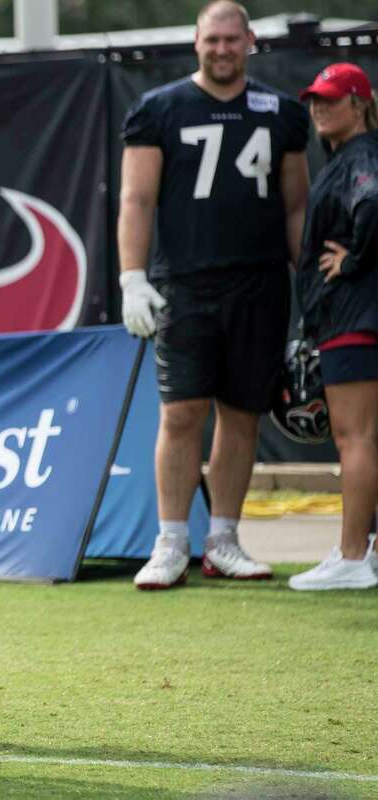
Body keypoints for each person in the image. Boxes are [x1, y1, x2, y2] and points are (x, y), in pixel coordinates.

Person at [117, 1, 310, 590]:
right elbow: (136, 200)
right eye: (212, 39)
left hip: (260, 282)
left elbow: (296, 205)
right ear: (196, 42)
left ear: (250, 41)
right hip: (186, 280)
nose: (222, 49)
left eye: (232, 39)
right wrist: (132, 276)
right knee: (180, 413)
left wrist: (316, 289)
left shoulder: (282, 112)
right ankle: (171, 539)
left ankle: (222, 538)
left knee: (243, 414)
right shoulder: (159, 109)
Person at [288, 64, 378, 591]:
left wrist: (354, 261)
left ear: (359, 104)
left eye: (332, 99)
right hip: (355, 317)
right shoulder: (347, 156)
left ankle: (351, 556)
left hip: (353, 318)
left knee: (356, 437)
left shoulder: (361, 156)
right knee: (366, 437)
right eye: (315, 100)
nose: (319, 107)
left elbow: (372, 205)